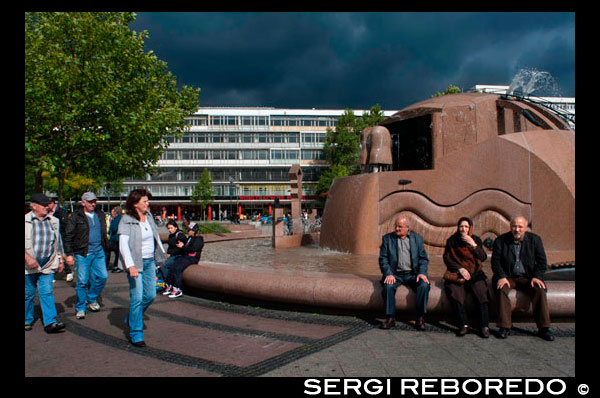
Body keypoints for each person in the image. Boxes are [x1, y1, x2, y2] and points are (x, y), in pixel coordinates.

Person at [491, 216, 554, 341]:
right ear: (510, 227)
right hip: (508, 276)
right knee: (501, 289)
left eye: (520, 226)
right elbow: (495, 262)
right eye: (514, 226)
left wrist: (536, 277)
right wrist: (502, 276)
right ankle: (505, 326)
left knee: (540, 290)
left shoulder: (535, 240)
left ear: (525, 228)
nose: (517, 229)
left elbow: (542, 263)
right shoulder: (500, 240)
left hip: (528, 277)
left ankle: (544, 328)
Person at [118, 188, 167, 347]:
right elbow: (123, 244)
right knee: (137, 297)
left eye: (147, 201)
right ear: (135, 204)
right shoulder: (126, 220)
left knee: (151, 295)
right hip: (135, 264)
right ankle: (136, 333)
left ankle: (132, 317)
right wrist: (130, 265)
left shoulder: (149, 216)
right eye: (144, 201)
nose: (148, 203)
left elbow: (155, 236)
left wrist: (162, 253)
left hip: (149, 262)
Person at [379, 216, 430, 330]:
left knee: (424, 285)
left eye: (400, 226)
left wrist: (422, 272)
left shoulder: (417, 239)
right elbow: (383, 259)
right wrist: (388, 273)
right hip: (395, 274)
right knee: (388, 286)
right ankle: (390, 318)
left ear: (407, 228)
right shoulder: (387, 239)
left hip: (413, 274)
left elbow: (423, 259)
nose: (397, 228)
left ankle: (420, 318)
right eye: (396, 226)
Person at [25, 193, 66, 333]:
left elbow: (57, 241)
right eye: (43, 205)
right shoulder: (25, 221)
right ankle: (27, 319)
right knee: (28, 294)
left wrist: (60, 259)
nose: (46, 207)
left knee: (47, 292)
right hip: (28, 265)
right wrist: (28, 258)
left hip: (48, 263)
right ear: (33, 206)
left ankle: (50, 322)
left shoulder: (53, 220)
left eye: (47, 204)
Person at [64, 192, 109, 320]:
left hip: (98, 251)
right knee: (82, 281)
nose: (93, 204)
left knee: (103, 276)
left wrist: (106, 245)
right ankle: (81, 307)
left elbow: (103, 232)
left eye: (94, 201)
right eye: (90, 201)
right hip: (83, 252)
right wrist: (69, 254)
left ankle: (92, 297)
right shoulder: (76, 216)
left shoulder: (100, 214)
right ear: (83, 203)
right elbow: (68, 235)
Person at [443, 217, 490, 338]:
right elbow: (447, 259)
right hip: (458, 274)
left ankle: (484, 326)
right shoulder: (452, 241)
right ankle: (463, 324)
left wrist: (473, 245)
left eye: (466, 227)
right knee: (454, 293)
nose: (463, 229)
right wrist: (460, 268)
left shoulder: (476, 240)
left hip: (475, 274)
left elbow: (483, 257)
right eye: (461, 226)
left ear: (470, 228)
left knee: (481, 293)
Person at [162, 223, 204, 298]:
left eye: (189, 230)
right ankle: (169, 285)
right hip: (186, 257)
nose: (187, 231)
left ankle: (178, 288)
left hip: (192, 258)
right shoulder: (189, 238)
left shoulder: (199, 239)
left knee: (178, 268)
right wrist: (182, 246)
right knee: (173, 265)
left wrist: (183, 247)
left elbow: (193, 249)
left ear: (194, 231)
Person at [48, 198, 74, 282]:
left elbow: (65, 224)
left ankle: (68, 271)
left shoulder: (61, 212)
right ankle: (52, 273)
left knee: (62, 254)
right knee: (53, 255)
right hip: (51, 236)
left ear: (52, 203)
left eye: (48, 204)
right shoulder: (48, 212)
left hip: (61, 236)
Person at [107, 206, 123, 273]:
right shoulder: (121, 218)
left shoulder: (117, 219)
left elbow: (114, 228)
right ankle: (116, 265)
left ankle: (114, 265)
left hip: (115, 239)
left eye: (112, 212)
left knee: (108, 251)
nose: (111, 214)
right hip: (118, 239)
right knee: (117, 254)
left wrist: (109, 231)